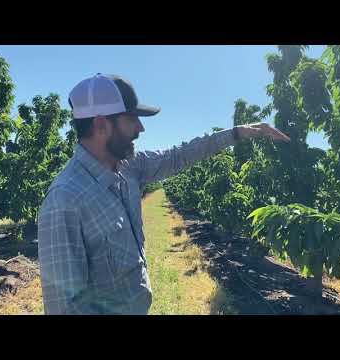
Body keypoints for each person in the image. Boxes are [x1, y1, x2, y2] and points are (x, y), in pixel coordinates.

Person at [37, 73, 290, 315]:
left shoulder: (128, 168)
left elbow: (180, 154)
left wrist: (238, 132)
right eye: (131, 119)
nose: (141, 128)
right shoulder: (65, 201)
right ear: (101, 124)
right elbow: (64, 306)